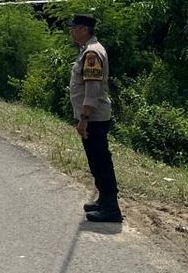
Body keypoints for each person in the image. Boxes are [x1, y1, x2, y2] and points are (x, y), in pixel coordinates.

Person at [69, 13, 122, 223]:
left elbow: (92, 89)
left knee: (100, 161)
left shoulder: (92, 54)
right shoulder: (89, 50)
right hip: (93, 116)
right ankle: (104, 200)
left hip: (94, 117)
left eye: (74, 28)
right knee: (96, 160)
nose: (72, 32)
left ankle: (111, 208)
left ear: (84, 30)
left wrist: (84, 118)